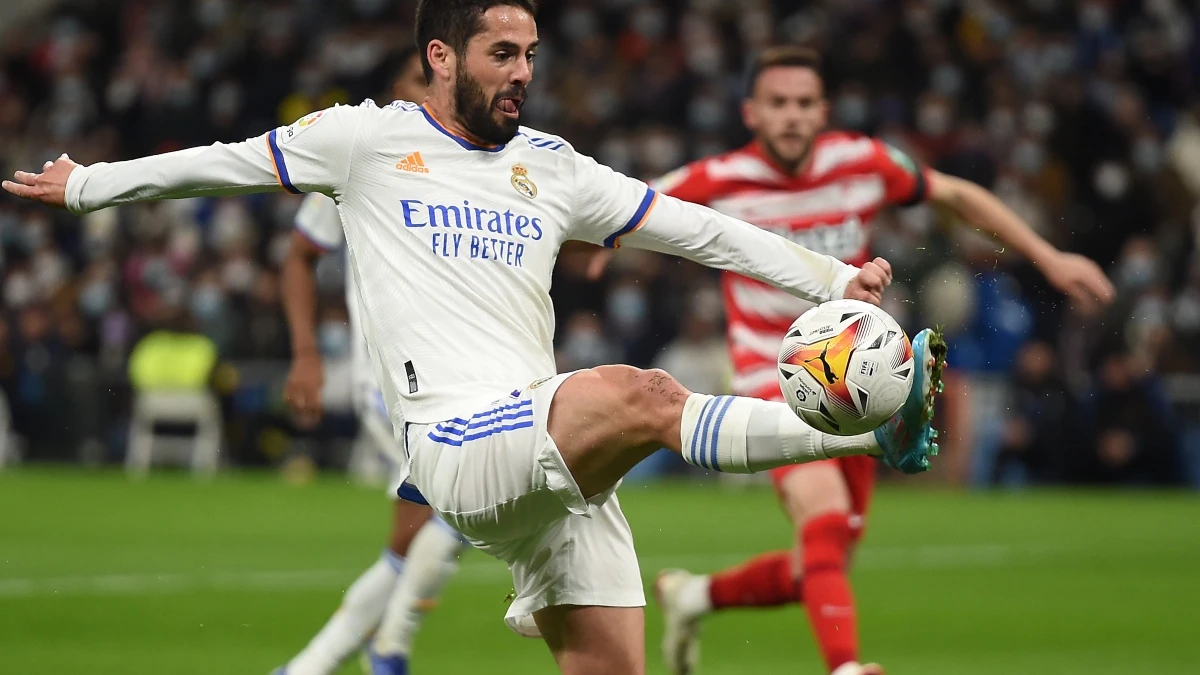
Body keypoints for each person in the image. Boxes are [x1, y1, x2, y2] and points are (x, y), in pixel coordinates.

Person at [3, 3, 945, 673]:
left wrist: (830, 278)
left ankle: (536, 586)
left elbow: (695, 226)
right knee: (647, 395)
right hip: (456, 441)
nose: (524, 72)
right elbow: (222, 165)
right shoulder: (363, 142)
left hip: (553, 471)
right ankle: (874, 432)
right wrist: (87, 184)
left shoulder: (553, 168)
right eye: (503, 52)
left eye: (531, 52)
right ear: (443, 56)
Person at [647, 46, 1115, 675]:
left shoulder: (863, 162)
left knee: (824, 557)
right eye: (777, 103)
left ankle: (694, 596)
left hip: (866, 379)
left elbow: (956, 194)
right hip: (776, 379)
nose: (791, 115)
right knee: (825, 517)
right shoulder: (719, 178)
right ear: (750, 113)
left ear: (824, 110)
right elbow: (626, 206)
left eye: (804, 103)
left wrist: (1049, 257)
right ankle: (845, 668)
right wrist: (596, 247)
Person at [272, 46, 467, 675]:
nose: (432, 91)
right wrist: (306, 353)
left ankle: (314, 666)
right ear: (395, 90)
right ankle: (387, 650)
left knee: (415, 536)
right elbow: (301, 256)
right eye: (420, 80)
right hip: (392, 381)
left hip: (459, 377)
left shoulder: (475, 164)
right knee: (480, 502)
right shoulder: (366, 158)